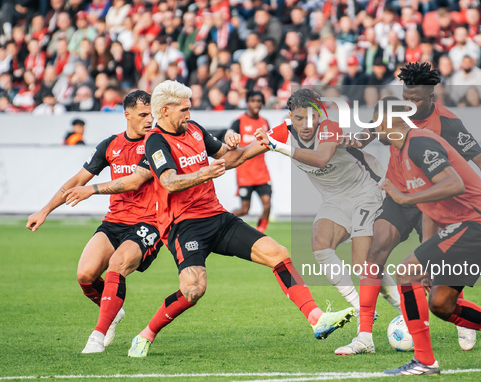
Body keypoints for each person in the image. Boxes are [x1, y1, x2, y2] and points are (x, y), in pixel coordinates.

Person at [66, 80, 355, 358]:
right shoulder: (155, 141)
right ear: (164, 110)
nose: (189, 114)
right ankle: (146, 334)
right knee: (193, 290)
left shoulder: (194, 129)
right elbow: (168, 182)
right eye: (184, 109)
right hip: (183, 226)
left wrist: (276, 135)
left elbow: (232, 158)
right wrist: (205, 172)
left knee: (278, 253)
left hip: (216, 217)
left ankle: (316, 318)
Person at [339, 62, 481, 355]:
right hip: (399, 193)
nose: (409, 103)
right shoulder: (393, 111)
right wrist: (351, 141)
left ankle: (460, 318)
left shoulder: (447, 123)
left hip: (433, 201)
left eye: (416, 99)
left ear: (432, 96)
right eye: (406, 97)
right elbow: (366, 135)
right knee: (376, 250)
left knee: (430, 271)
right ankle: (365, 336)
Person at [244, 89, 402, 354]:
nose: (306, 124)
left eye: (310, 117)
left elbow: (320, 159)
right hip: (334, 199)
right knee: (320, 244)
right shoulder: (283, 132)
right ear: (290, 117)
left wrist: (276, 146)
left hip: (366, 192)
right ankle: (361, 311)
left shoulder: (328, 127)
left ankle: (400, 315)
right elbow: (241, 155)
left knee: (364, 265)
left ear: (319, 114)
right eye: (298, 118)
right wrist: (213, 157)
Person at [373, 111, 481, 375]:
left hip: (479, 222)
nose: (374, 127)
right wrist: (430, 260)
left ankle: (424, 361)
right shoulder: (400, 156)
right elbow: (430, 208)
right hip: (473, 225)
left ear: (395, 122)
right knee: (442, 304)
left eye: (377, 121)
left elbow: (454, 184)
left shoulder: (420, 141)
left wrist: (403, 199)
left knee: (406, 273)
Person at [26, 91, 162, 354]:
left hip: (149, 222)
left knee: (116, 265)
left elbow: (135, 180)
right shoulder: (110, 145)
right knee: (85, 275)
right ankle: (113, 310)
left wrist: (93, 189)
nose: (149, 120)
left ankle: (97, 336)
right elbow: (78, 181)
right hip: (115, 221)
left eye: (151, 115)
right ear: (128, 115)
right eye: (144, 115)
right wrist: (45, 210)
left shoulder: (156, 143)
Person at [226, 91, 273, 233]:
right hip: (244, 173)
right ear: (247, 103)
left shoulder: (264, 122)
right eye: (253, 100)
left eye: (259, 101)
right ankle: (222, 220)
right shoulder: (238, 122)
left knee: (267, 205)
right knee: (244, 209)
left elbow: (271, 142)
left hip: (262, 173)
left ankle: (260, 230)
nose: (256, 103)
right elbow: (228, 137)